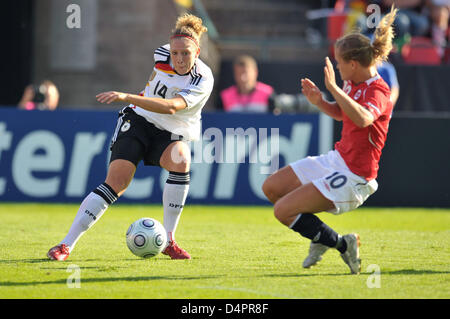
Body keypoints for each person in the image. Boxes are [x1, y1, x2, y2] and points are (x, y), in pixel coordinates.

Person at [47, 13, 213, 261]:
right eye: (175, 52)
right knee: (117, 183)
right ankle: (65, 245)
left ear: (197, 52)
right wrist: (136, 101)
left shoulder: (202, 78)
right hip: (137, 122)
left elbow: (170, 107)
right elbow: (154, 83)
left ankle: (169, 240)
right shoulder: (161, 54)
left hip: (169, 131)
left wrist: (127, 96)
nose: (179, 58)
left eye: (186, 53)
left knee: (181, 160)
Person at [262, 6, 397, 274]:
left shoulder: (379, 91)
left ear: (354, 64)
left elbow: (363, 120)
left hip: (355, 177)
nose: (337, 66)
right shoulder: (353, 82)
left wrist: (334, 88)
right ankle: (322, 237)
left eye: (340, 62)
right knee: (272, 188)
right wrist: (321, 101)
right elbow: (343, 114)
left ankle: (341, 245)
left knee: (283, 211)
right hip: (336, 159)